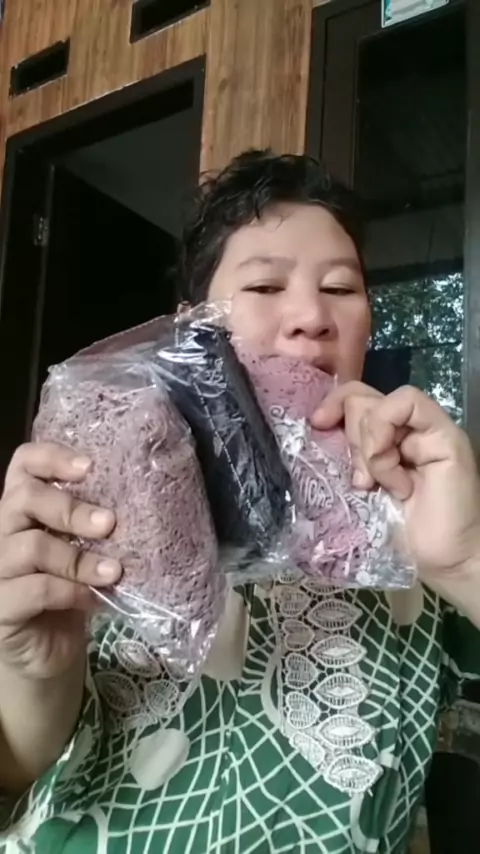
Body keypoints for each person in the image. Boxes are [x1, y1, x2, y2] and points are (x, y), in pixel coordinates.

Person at [1, 149, 480, 854]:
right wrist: (29, 672)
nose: (312, 316)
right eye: (263, 285)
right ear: (194, 325)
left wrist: (465, 562)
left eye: (341, 288)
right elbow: (16, 771)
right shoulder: (95, 495)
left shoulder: (421, 505)